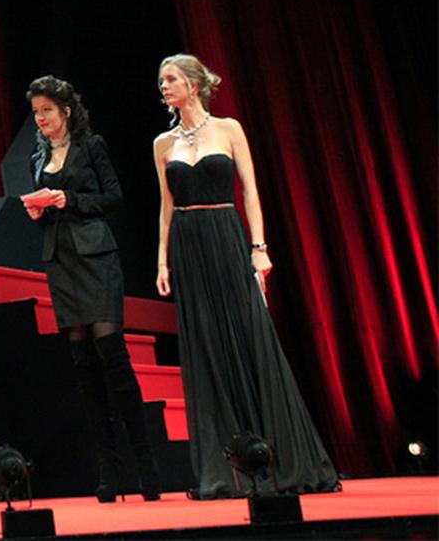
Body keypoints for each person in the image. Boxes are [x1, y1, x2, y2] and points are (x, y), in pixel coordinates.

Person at [152, 54, 339, 499]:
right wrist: (162, 261)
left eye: (171, 79)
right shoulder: (162, 143)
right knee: (208, 345)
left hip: (226, 235)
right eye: (161, 82)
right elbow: (165, 206)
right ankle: (227, 467)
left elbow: (250, 189)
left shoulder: (228, 128)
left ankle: (281, 456)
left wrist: (260, 248)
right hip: (188, 242)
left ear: (193, 85)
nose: (164, 87)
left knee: (251, 335)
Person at [22, 76, 161, 502]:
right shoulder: (38, 156)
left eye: (46, 110)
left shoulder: (92, 146)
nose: (41, 119)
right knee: (84, 368)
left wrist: (71, 200)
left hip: (97, 258)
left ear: (65, 110)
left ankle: (147, 468)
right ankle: (109, 471)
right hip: (62, 261)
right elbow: (44, 212)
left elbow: (114, 198)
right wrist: (38, 211)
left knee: (112, 356)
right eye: (36, 113)